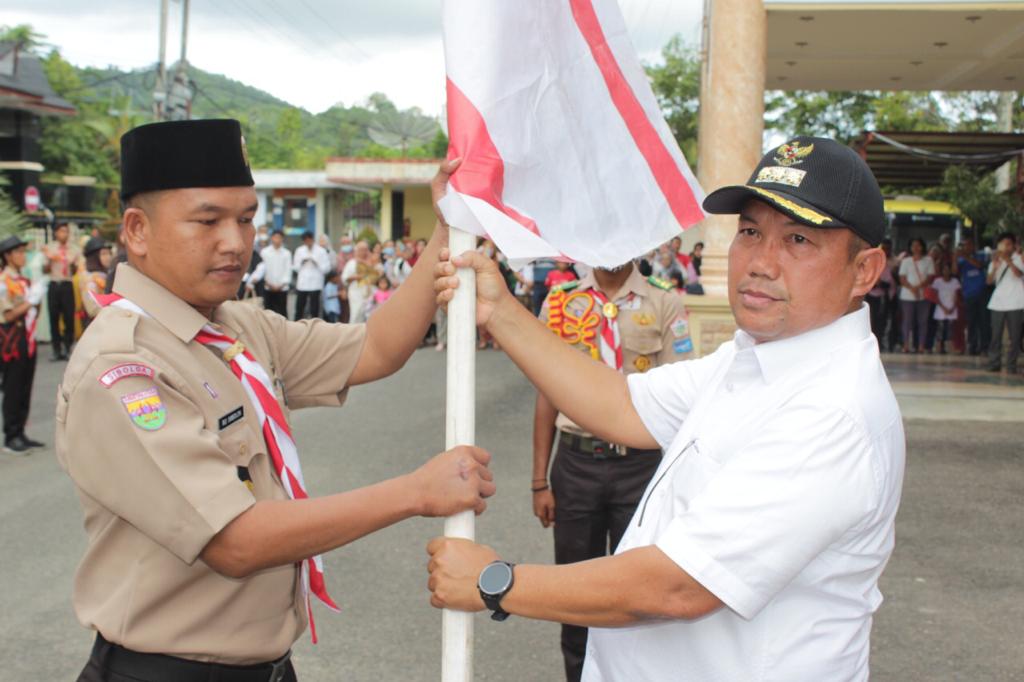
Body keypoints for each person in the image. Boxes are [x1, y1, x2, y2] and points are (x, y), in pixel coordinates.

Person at [427, 136, 903, 681]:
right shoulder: (755, 359)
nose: (761, 262)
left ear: (864, 271)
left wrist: (496, 581)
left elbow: (678, 586)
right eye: (750, 231)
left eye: (798, 240)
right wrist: (500, 311)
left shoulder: (832, 411)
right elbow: (622, 405)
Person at [57, 121, 495, 682]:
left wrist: (445, 228)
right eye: (207, 220)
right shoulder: (122, 369)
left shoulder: (235, 325)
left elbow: (378, 347)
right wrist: (415, 493)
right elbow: (234, 541)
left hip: (268, 667)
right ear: (137, 231)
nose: (236, 242)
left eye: (246, 219)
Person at [534, 262, 691, 681]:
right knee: (574, 592)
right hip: (576, 463)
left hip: (638, 468)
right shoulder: (561, 301)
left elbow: (680, 402)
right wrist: (538, 481)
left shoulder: (664, 301)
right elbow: (547, 394)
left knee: (639, 594)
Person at [0, 235, 45, 453]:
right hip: (13, 339)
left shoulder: (23, 280)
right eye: (17, 252)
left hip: (28, 337)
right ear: (7, 256)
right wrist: (31, 301)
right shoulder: (3, 282)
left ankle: (21, 432)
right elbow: (8, 315)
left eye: (23, 251)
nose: (22, 255)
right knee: (13, 386)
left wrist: (36, 300)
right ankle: (11, 435)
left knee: (26, 385)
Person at [986, 232, 1024, 374]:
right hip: (998, 302)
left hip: (1016, 302)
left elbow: (1019, 274)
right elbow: (989, 281)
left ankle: (1011, 364)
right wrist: (995, 266)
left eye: (1009, 244)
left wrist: (1008, 260)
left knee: (1015, 337)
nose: (1006, 247)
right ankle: (994, 362)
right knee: (996, 335)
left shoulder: (1019, 259)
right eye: (1003, 244)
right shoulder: (995, 261)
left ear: (1013, 245)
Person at [43, 222, 80, 360]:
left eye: (66, 231)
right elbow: (44, 270)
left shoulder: (74, 249)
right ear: (56, 233)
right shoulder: (49, 248)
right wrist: (49, 261)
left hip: (66, 284)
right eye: (61, 231)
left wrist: (73, 264)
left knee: (69, 317)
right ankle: (56, 349)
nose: (64, 234)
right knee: (53, 317)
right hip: (54, 284)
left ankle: (67, 347)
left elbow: (75, 271)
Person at [898, 237, 934, 353]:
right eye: (913, 245)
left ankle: (921, 346)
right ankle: (906, 345)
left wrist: (918, 288)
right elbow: (902, 278)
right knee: (907, 321)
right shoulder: (906, 261)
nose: (916, 248)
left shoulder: (928, 260)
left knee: (923, 321)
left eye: (918, 245)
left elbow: (930, 277)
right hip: (907, 296)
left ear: (922, 246)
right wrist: (912, 289)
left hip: (923, 296)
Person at [957, 237, 989, 356]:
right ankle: (972, 346)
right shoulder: (961, 259)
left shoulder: (981, 255)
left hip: (981, 293)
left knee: (984, 321)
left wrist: (965, 256)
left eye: (969, 245)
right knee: (971, 322)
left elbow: (979, 266)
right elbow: (955, 271)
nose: (967, 247)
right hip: (968, 294)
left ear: (974, 246)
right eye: (965, 245)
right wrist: (955, 257)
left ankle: (984, 347)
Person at [866, 238, 896, 350]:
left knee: (881, 320)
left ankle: (879, 342)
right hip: (870, 296)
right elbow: (864, 281)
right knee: (870, 320)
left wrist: (880, 283)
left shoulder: (886, 266)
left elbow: (890, 284)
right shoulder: (869, 264)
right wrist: (874, 283)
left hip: (882, 298)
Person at [292, 231, 330, 320]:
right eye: (306, 240)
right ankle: (296, 325)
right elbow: (295, 267)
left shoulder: (321, 251)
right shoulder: (299, 250)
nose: (308, 242)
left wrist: (317, 263)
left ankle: (315, 327)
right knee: (299, 306)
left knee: (314, 308)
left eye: (310, 240)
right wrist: (302, 262)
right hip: (302, 283)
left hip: (315, 283)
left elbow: (327, 268)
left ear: (313, 239)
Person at [255, 228, 292, 318]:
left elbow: (288, 270)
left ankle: (283, 330)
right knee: (268, 312)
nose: (277, 240)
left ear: (282, 239)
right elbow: (262, 269)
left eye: (279, 237)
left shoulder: (286, 253)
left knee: (282, 311)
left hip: (282, 287)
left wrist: (282, 284)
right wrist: (267, 282)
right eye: (275, 237)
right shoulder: (265, 252)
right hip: (268, 286)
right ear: (271, 238)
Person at [78, 237, 112, 326]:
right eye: (103, 254)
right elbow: (92, 310)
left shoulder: (106, 273)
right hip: (96, 325)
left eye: (109, 253)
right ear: (94, 257)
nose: (108, 257)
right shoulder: (89, 279)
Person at [342, 241, 377, 324]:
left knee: (371, 315)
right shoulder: (351, 263)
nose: (363, 252)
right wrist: (355, 277)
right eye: (361, 249)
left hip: (370, 292)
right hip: (355, 292)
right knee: (356, 314)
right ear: (356, 250)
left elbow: (377, 276)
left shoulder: (373, 262)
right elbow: (344, 278)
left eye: (365, 249)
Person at [931, 261, 961, 354]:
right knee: (940, 329)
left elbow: (956, 295)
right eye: (944, 269)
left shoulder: (955, 281)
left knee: (950, 329)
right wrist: (943, 307)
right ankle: (939, 348)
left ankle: (949, 348)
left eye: (948, 269)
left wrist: (952, 307)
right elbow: (935, 296)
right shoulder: (937, 281)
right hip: (941, 308)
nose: (946, 271)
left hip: (951, 308)